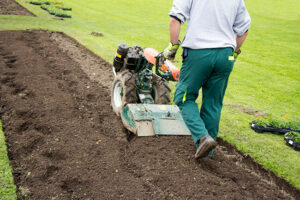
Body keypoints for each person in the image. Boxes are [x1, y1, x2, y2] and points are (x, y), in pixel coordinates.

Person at [164, 0, 251, 159]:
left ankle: (202, 137)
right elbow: (243, 30)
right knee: (213, 104)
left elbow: (175, 19)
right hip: (226, 54)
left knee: (183, 98)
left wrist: (173, 46)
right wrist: (234, 52)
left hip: (198, 53)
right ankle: (206, 154)